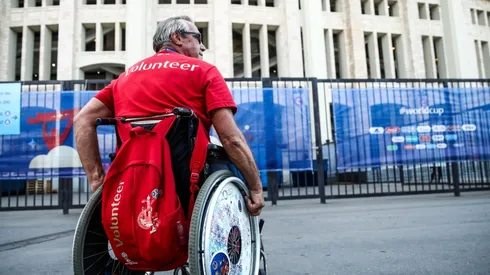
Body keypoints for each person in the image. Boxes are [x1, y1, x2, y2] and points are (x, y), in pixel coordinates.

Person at [73, 15, 265, 216]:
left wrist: (97, 179)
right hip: (188, 181)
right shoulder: (204, 71)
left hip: (133, 178)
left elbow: (82, 120)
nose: (203, 46)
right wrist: (255, 187)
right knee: (227, 158)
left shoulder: (124, 78)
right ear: (177, 38)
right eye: (198, 37)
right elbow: (231, 139)